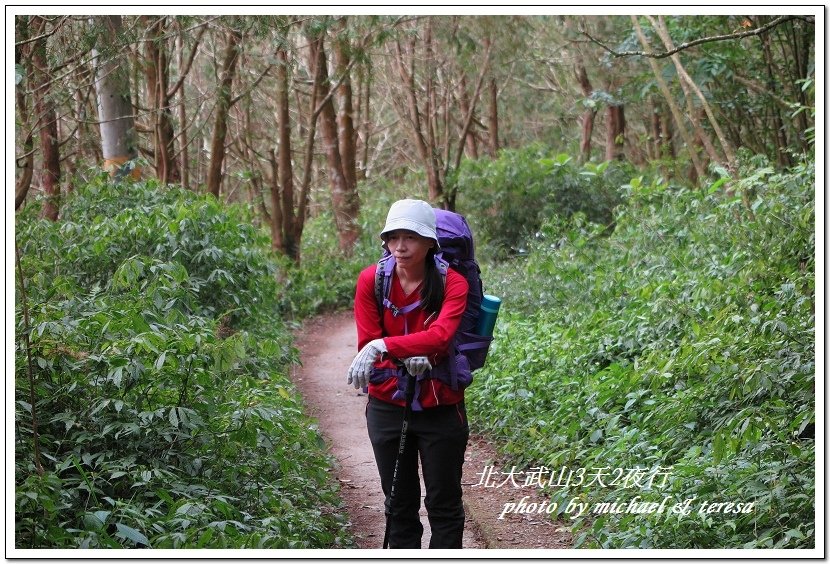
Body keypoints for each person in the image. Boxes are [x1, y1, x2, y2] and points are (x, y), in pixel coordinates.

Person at [347, 199, 470, 549]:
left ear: (430, 242)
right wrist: (395, 351)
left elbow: (441, 336)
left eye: (411, 237)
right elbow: (369, 341)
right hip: (388, 404)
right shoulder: (372, 280)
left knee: (443, 505)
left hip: (441, 404)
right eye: (393, 237)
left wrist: (389, 347)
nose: (400, 246)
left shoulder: (453, 283)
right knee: (398, 506)